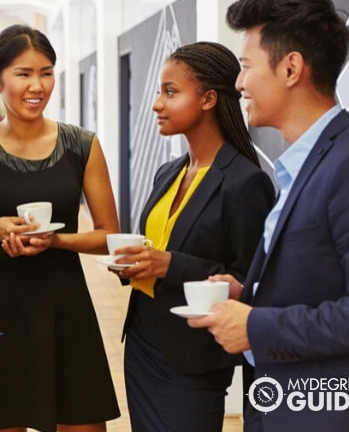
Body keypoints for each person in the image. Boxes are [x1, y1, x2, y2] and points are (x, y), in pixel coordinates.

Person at [189, 0, 349, 431]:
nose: (238, 84)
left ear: (291, 67)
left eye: (246, 66)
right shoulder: (302, 164)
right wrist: (249, 295)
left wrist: (257, 326)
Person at [0, 24, 121, 431]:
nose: (37, 85)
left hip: (66, 305)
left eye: (46, 72)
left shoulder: (82, 145)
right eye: (23, 74)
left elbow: (109, 234)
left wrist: (56, 239)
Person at [108, 41, 275, 431]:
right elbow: (159, 251)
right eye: (159, 92)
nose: (156, 104)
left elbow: (254, 281)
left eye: (171, 92)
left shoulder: (245, 182)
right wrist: (132, 265)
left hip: (195, 355)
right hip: (143, 341)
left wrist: (169, 264)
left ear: (208, 99)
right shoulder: (167, 173)